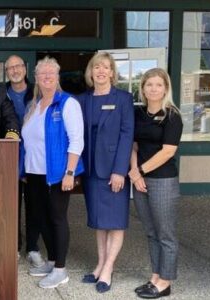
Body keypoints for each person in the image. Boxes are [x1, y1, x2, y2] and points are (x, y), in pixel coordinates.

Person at [22, 56, 84, 289]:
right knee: (41, 217)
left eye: (51, 73)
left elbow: (77, 140)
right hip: (34, 173)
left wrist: (70, 172)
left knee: (57, 219)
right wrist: (23, 169)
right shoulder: (34, 105)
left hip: (57, 173)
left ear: (57, 77)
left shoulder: (67, 103)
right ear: (36, 78)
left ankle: (61, 269)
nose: (46, 77)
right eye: (42, 73)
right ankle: (51, 261)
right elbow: (27, 142)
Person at [77, 52, 134, 293]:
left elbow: (126, 135)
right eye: (96, 67)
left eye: (105, 67)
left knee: (116, 222)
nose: (100, 71)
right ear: (90, 72)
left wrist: (121, 170)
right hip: (91, 169)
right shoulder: (83, 100)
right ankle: (100, 264)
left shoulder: (123, 98)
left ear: (112, 72)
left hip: (113, 169)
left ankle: (108, 268)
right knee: (100, 222)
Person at [128, 68, 183, 299]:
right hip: (140, 180)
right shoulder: (138, 113)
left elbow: (168, 152)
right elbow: (133, 145)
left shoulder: (172, 115)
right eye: (149, 84)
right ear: (142, 88)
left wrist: (139, 171)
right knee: (151, 232)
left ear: (165, 88)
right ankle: (155, 276)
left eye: (158, 85)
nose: (153, 89)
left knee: (165, 234)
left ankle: (165, 282)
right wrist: (135, 173)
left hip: (162, 181)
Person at [4, 55, 36, 261]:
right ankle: (13, 245)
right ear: (6, 72)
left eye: (18, 66)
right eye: (10, 68)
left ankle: (33, 248)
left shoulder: (38, 92)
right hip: (8, 158)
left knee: (34, 205)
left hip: (34, 157)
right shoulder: (0, 94)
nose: (14, 70)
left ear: (25, 69)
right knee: (10, 205)